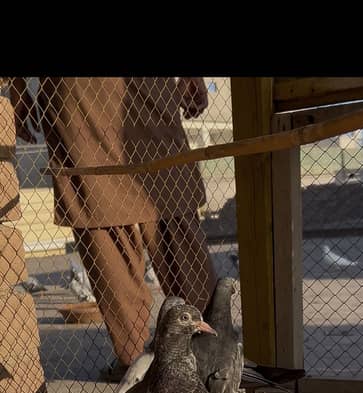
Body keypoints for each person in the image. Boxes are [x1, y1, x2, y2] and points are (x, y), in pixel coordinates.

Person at [10, 77, 216, 377]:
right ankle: (206, 351)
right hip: (138, 87)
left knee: (105, 216)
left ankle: (135, 361)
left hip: (77, 91)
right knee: (169, 208)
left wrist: (17, 89)